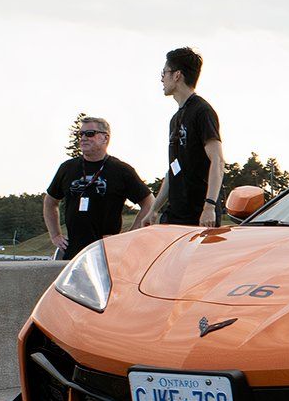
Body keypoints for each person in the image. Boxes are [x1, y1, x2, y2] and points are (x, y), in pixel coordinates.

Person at [42, 116, 154, 259]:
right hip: (73, 252)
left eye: (89, 134)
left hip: (108, 253)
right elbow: (50, 202)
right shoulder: (67, 168)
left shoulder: (120, 170)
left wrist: (128, 236)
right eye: (80, 134)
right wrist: (55, 235)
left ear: (105, 138)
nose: (83, 138)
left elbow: (149, 203)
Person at [145, 47, 225, 226]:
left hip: (199, 216)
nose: (161, 78)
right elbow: (173, 169)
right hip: (175, 215)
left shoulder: (202, 111)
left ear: (177, 75)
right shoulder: (175, 119)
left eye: (164, 72)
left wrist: (209, 207)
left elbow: (218, 161)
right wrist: (154, 209)